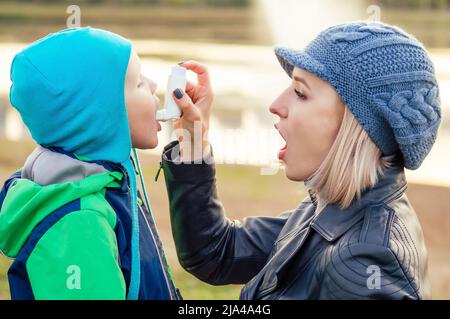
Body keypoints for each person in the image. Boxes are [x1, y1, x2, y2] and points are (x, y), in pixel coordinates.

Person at [161, 21, 441, 299]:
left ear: (357, 126)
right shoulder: (331, 210)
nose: (275, 105)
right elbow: (217, 252)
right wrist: (193, 141)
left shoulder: (365, 262)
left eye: (300, 93)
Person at [0, 26, 180, 300]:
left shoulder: (107, 182)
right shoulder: (80, 223)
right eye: (138, 83)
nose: (154, 85)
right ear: (101, 115)